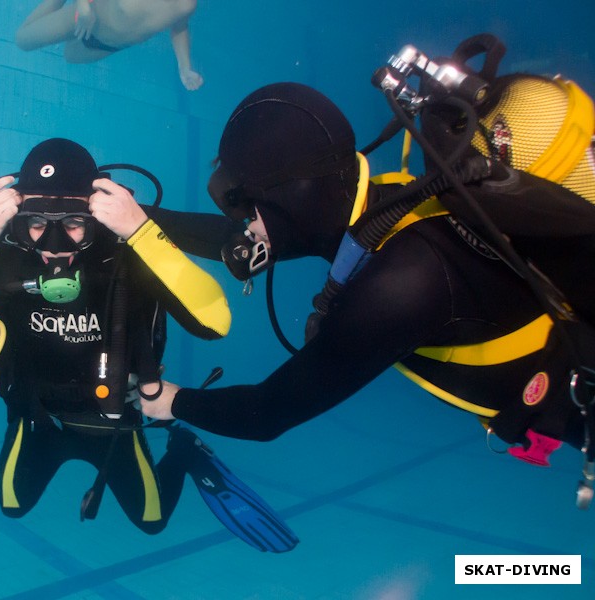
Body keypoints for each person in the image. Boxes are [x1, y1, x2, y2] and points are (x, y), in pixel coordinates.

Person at [141, 42, 595, 484]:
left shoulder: (403, 283)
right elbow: (236, 242)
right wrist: (138, 218)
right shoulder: (390, 201)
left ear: (289, 201)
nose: (241, 223)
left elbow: (268, 412)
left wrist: (171, 402)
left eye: (241, 204)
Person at [0, 138, 298, 552]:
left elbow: (214, 323)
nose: (54, 244)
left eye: (74, 223)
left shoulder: (124, 255)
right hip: (39, 420)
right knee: (13, 505)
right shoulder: (8, 256)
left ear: (96, 215)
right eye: (37, 223)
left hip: (115, 423)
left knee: (152, 521)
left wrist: (141, 231)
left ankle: (184, 451)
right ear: (19, 221)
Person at [15, 0, 204, 91]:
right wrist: (83, 8)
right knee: (22, 41)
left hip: (107, 47)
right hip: (81, 19)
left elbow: (179, 28)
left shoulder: (187, 5)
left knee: (68, 56)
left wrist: (184, 67)